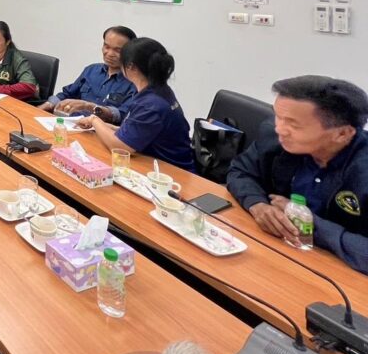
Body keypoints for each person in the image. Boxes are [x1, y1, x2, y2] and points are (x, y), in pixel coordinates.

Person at [227, 75, 367, 273]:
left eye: (294, 125)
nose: (280, 129)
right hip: (273, 254)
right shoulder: (275, 137)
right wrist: (257, 205)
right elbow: (241, 171)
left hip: (338, 272)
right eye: (278, 116)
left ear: (342, 134)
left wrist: (312, 225)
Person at [76, 37, 194, 171]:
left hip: (171, 172)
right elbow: (133, 130)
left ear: (130, 67)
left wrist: (94, 120)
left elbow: (120, 147)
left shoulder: (150, 104)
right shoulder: (159, 90)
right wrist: (100, 126)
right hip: (157, 163)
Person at [38, 26, 137, 122]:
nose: (110, 53)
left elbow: (121, 115)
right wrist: (47, 105)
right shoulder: (91, 70)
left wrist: (89, 107)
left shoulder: (134, 82)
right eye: (106, 47)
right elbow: (67, 93)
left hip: (100, 130)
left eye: (117, 50)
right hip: (72, 122)